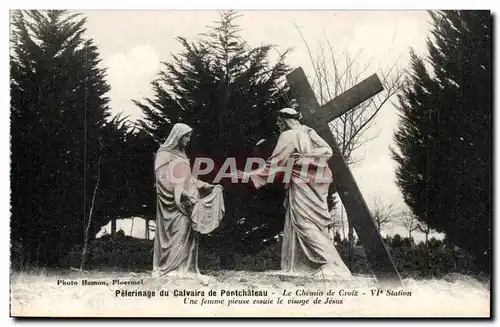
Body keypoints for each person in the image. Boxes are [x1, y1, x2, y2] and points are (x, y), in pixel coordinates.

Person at [237, 108, 352, 279]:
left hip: (304, 181)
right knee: (311, 222)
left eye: (279, 121)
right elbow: (327, 151)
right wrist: (307, 157)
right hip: (318, 180)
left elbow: (275, 163)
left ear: (286, 121)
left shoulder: (289, 135)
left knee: (303, 222)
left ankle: (330, 264)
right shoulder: (307, 131)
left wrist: (249, 175)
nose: (277, 125)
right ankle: (309, 264)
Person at [152, 123, 219, 284]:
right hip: (173, 205)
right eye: (186, 136)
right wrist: (183, 194)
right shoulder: (163, 154)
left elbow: (188, 180)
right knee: (177, 234)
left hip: (188, 203)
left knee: (189, 235)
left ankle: (186, 269)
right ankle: (169, 269)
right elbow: (162, 180)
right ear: (178, 136)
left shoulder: (182, 156)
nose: (189, 140)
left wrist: (205, 186)